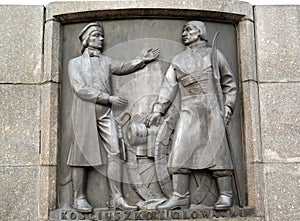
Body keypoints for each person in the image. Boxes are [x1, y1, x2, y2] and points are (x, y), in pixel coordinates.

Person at [67, 22, 160, 213]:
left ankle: (117, 198)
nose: (101, 39)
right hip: (85, 112)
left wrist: (142, 60)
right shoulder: (74, 63)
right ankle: (79, 198)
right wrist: (108, 98)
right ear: (86, 40)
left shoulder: (106, 61)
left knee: (116, 152)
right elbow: (79, 89)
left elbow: (123, 66)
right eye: (96, 36)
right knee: (81, 155)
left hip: (105, 114)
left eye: (101, 36)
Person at [146, 21, 237, 210]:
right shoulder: (178, 59)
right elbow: (168, 86)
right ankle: (180, 196)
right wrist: (157, 110)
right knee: (180, 150)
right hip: (188, 109)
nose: (184, 34)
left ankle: (226, 194)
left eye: (189, 30)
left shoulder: (215, 55)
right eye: (183, 31)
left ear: (200, 33)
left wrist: (228, 106)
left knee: (219, 151)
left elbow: (229, 83)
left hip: (212, 108)